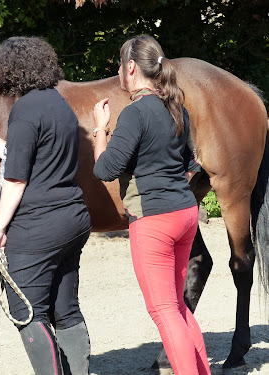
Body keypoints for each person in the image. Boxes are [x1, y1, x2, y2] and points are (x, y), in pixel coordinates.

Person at [0, 36, 92, 375]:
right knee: (65, 309)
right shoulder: (59, 103)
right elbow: (26, 152)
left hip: (38, 227)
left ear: (6, 72)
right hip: (73, 219)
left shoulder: (23, 111)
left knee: (27, 312)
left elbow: (16, 178)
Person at [92, 34, 210, 375]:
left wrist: (100, 129)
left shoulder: (133, 113)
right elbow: (191, 164)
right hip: (185, 214)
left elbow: (104, 169)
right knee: (177, 308)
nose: (117, 71)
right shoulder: (177, 110)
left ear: (130, 68)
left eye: (119, 65)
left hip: (154, 222)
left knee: (163, 311)